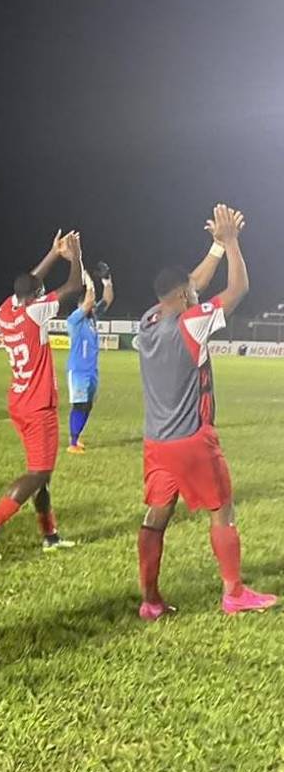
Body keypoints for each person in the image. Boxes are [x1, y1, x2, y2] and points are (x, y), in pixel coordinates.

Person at [136, 203, 276, 620]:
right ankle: (233, 592)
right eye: (190, 294)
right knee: (223, 511)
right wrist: (232, 245)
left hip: (156, 442)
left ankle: (150, 600)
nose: (196, 294)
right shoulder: (190, 323)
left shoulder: (149, 319)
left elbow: (188, 284)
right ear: (182, 298)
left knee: (156, 516)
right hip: (193, 440)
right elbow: (238, 291)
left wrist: (213, 248)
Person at [0, 231, 83, 560]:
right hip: (39, 406)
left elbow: (31, 281)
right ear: (36, 296)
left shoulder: (6, 310)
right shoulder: (36, 312)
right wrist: (76, 256)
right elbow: (74, 287)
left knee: (42, 473)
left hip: (19, 401)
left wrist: (52, 253)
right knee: (37, 473)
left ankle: (50, 535)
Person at [65, 267, 114, 453]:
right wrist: (89, 282)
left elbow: (108, 299)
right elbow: (90, 301)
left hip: (92, 371)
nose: (94, 308)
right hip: (78, 371)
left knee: (88, 405)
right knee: (79, 405)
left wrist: (107, 280)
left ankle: (77, 439)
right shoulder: (74, 320)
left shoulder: (92, 318)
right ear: (82, 305)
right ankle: (72, 443)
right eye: (90, 306)